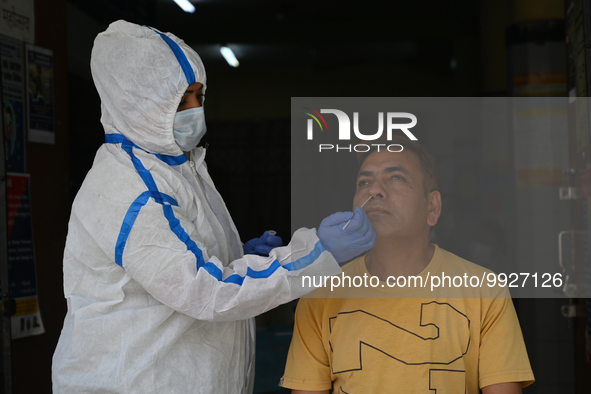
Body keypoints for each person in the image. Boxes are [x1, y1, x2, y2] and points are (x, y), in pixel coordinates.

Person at [52, 20, 375, 394]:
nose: (194, 110)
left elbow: (178, 261)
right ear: (137, 103)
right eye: (180, 100)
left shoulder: (175, 165)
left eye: (198, 96)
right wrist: (317, 253)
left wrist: (234, 254)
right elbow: (206, 290)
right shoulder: (130, 189)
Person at [281, 136, 535, 393]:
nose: (374, 190)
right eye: (364, 182)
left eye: (396, 177)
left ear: (432, 207)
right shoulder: (319, 296)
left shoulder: (484, 290)